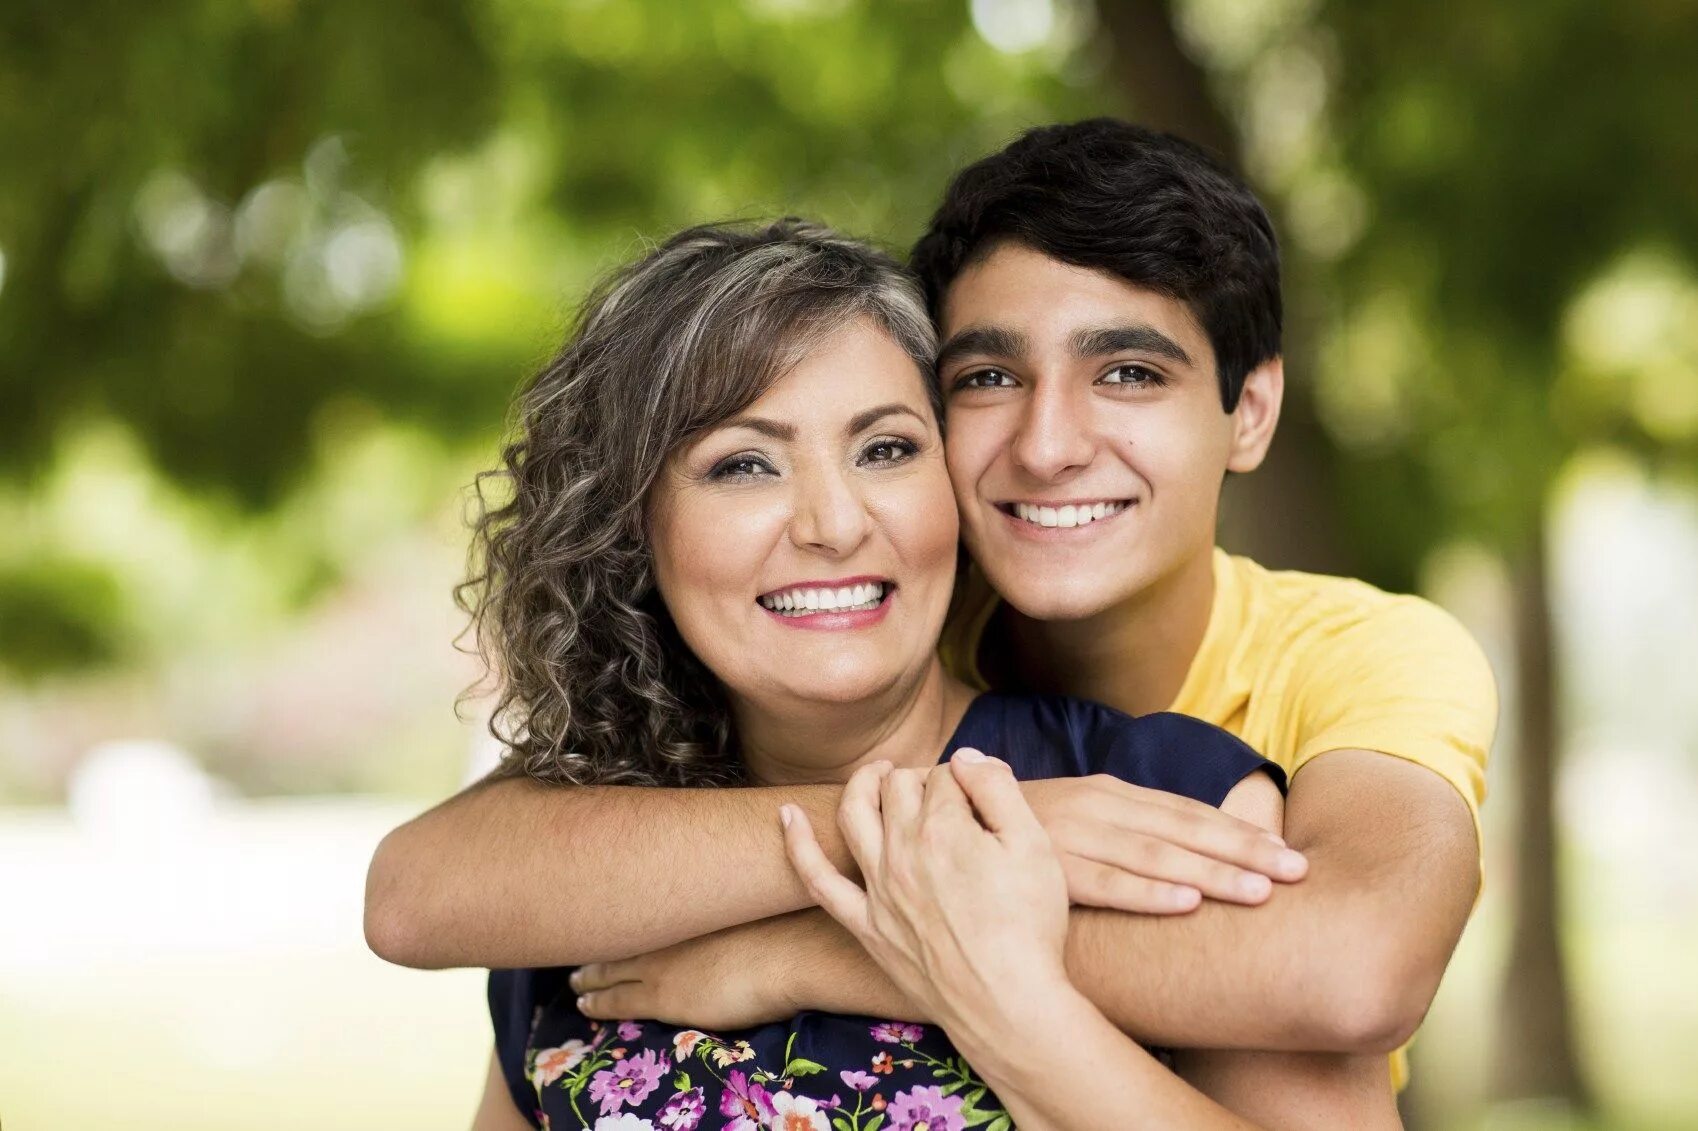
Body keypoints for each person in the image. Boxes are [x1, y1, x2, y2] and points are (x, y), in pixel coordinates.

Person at [369, 119, 1494, 1098]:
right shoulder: (855, 631)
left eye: (1131, 375)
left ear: (1249, 413)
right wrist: (921, 822)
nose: (1050, 446)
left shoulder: (1356, 662)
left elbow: (1352, 970)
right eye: (989, 379)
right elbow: (431, 889)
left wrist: (841, 939)